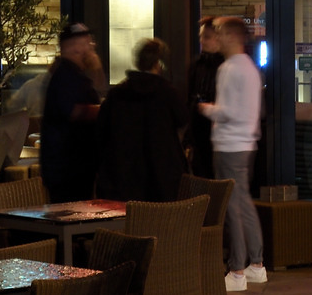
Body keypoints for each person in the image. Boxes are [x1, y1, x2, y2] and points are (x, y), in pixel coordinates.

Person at [196, 15, 265, 290]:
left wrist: (206, 109)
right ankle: (256, 265)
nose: (217, 38)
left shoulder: (228, 68)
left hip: (228, 145)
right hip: (246, 144)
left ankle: (237, 271)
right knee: (244, 203)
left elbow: (228, 111)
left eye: (221, 33)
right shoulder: (250, 68)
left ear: (232, 37)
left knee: (231, 208)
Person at [95, 38, 192, 202]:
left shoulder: (117, 94)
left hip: (123, 175)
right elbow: (183, 120)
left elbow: (101, 131)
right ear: (158, 64)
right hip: (162, 175)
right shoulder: (167, 93)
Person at [40, 22, 104, 203]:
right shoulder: (65, 76)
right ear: (75, 47)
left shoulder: (74, 75)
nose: (92, 46)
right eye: (88, 42)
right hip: (67, 170)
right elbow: (73, 111)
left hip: (73, 167)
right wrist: (106, 109)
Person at [182, 17, 224, 176]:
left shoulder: (225, 66)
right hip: (199, 129)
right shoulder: (197, 64)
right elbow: (189, 97)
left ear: (218, 38)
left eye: (206, 37)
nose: (202, 41)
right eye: (201, 36)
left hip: (216, 129)